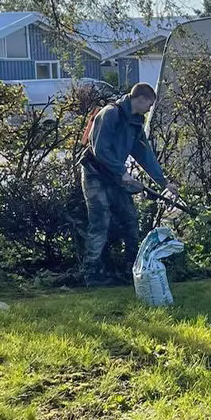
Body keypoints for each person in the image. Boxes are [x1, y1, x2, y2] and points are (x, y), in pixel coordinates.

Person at [81, 82, 169, 286]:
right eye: (150, 104)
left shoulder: (136, 122)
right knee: (100, 220)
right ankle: (91, 274)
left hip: (115, 177)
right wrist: (122, 173)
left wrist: (163, 182)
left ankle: (131, 268)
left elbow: (144, 154)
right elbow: (100, 149)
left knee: (130, 217)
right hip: (95, 174)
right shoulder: (110, 114)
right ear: (140, 99)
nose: (150, 109)